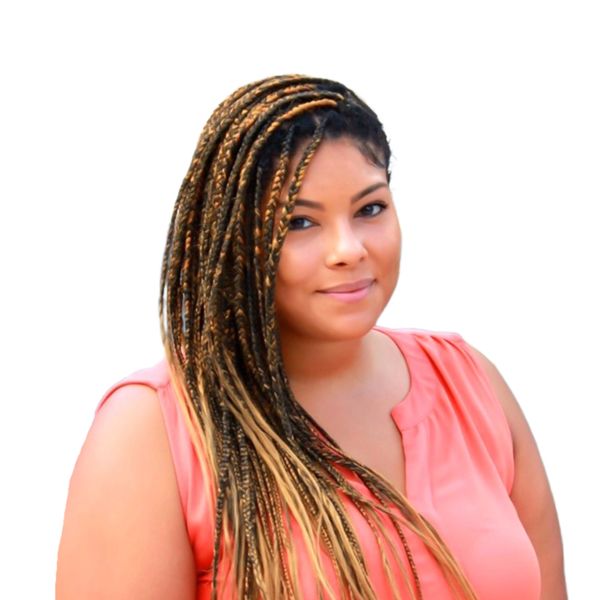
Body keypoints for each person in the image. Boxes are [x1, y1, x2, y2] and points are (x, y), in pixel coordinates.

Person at [56, 75, 567, 599]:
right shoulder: (151, 432)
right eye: (299, 222)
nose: (348, 249)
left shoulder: (469, 384)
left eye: (370, 209)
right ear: (233, 238)